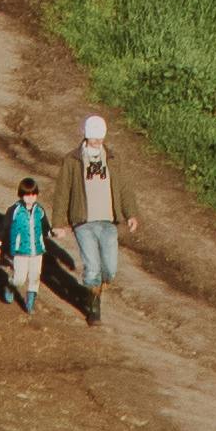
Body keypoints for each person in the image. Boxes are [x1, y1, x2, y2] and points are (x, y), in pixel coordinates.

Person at [49, 112, 136, 324]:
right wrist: (58, 223)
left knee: (110, 269)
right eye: (94, 136)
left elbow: (125, 188)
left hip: (108, 222)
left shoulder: (113, 158)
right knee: (92, 267)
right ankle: (93, 305)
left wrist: (131, 213)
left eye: (101, 136)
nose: (98, 140)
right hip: (83, 222)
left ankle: (97, 290)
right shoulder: (72, 160)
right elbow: (62, 192)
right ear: (86, 135)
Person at [1, 177, 48, 318]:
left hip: (37, 250)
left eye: (33, 194)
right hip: (20, 251)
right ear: (21, 195)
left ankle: (30, 303)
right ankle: (11, 286)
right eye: (27, 194)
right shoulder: (14, 210)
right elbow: (3, 228)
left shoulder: (40, 210)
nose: (30, 198)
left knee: (35, 277)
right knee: (20, 278)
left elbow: (45, 228)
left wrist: (54, 233)